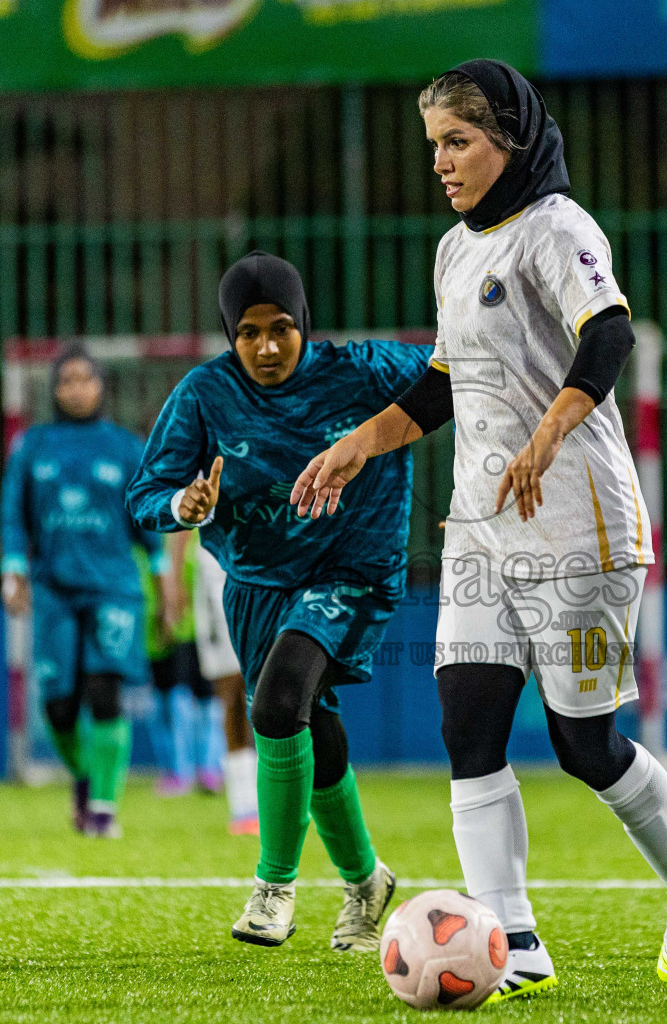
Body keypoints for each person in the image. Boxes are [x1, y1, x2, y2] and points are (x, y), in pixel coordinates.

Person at [291, 59, 667, 998]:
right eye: (434, 145)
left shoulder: (558, 227)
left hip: (577, 525)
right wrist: (358, 443)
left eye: (458, 141)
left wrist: (549, 430)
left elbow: (609, 334)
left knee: (583, 745)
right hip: (483, 532)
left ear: (510, 137)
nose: (441, 162)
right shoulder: (454, 251)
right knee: (468, 722)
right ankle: (511, 939)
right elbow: (444, 383)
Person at [125, 250, 429, 951]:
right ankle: (365, 881)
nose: (266, 347)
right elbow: (144, 495)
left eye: (281, 328)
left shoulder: (365, 369)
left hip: (352, 569)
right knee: (311, 723)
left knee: (277, 702)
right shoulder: (203, 395)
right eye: (249, 332)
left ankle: (273, 887)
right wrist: (182, 502)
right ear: (230, 335)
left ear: (305, 325)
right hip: (257, 586)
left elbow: (458, 374)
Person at [0, 344, 163, 839]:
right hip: (54, 589)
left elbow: (149, 524)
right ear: (53, 389)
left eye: (85, 379)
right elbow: (13, 513)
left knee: (104, 691)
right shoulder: (33, 445)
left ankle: (104, 809)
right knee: (58, 707)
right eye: (66, 380)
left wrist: (164, 584)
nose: (76, 389)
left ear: (101, 386)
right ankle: (85, 776)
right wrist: (13, 568)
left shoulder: (125, 447)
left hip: (114, 589)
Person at [141, 531, 227, 799]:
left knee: (208, 693)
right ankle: (180, 770)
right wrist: (169, 601)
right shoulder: (163, 530)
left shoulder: (209, 534)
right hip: (177, 624)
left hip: (207, 622)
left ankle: (209, 768)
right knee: (175, 693)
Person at [191, 529, 260, 835]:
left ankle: (264, 801)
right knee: (232, 699)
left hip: (259, 573)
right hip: (215, 577)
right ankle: (243, 804)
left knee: (264, 699)